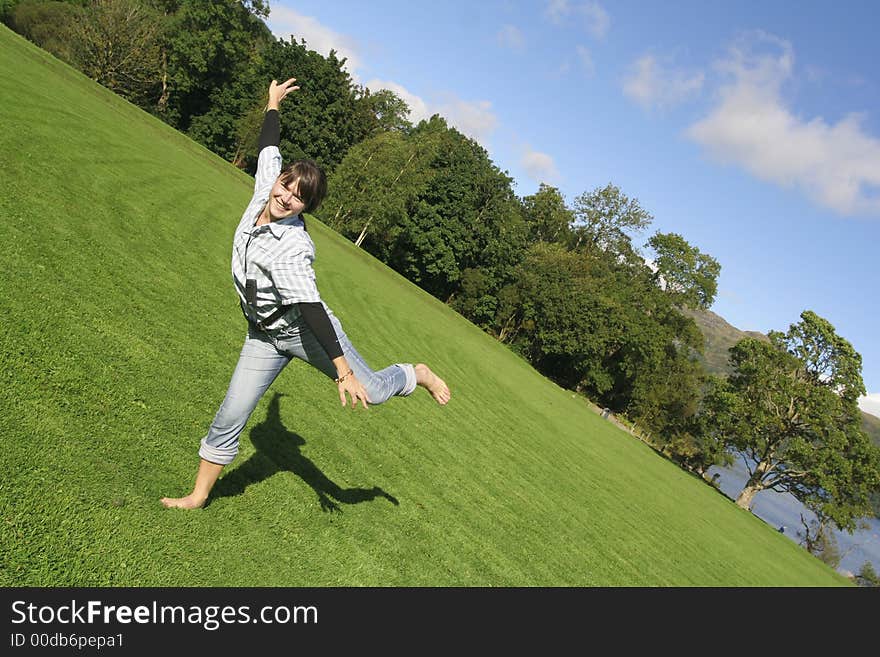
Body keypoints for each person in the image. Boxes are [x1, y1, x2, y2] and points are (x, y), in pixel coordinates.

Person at [161, 76, 450, 510]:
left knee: (368, 391)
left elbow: (311, 309)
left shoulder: (294, 246)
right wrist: (273, 104)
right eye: (286, 186)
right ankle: (199, 496)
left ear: (306, 208)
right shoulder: (264, 190)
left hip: (305, 330)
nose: (285, 197)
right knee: (232, 412)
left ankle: (416, 374)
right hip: (264, 335)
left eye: (298, 197)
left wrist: (342, 371)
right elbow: (268, 148)